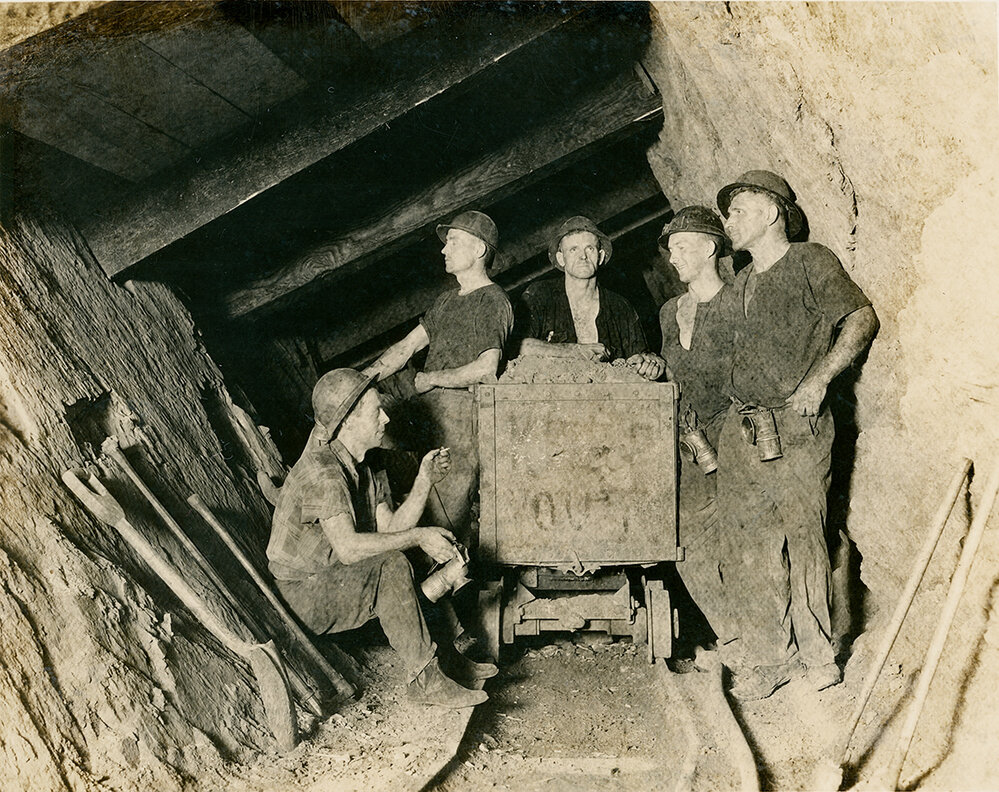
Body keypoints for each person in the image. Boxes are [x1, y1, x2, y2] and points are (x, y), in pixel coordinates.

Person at [715, 170, 879, 700]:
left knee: (805, 538)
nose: (730, 221)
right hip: (748, 428)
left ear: (770, 212)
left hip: (798, 423)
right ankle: (772, 658)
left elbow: (861, 318)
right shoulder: (739, 282)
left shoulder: (811, 261)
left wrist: (819, 382)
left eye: (738, 210)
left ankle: (817, 656)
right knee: (753, 546)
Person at [266, 368, 496, 709]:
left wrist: (424, 481)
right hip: (302, 595)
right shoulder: (324, 471)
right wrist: (419, 536)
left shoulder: (366, 467)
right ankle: (425, 682)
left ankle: (447, 661)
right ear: (347, 422)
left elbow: (389, 529)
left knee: (406, 554)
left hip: (333, 579)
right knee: (393, 564)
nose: (386, 418)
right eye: (376, 411)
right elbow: (348, 549)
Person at [363, 211, 514, 545]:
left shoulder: (493, 300)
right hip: (428, 417)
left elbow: (486, 367)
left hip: (463, 425)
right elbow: (406, 348)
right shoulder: (446, 301)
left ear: (478, 250)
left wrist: (432, 379)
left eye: (453, 241)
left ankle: (448, 587)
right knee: (370, 440)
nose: (444, 250)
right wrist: (362, 377)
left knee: (444, 519)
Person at [657, 206, 740, 649]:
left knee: (745, 535)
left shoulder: (736, 302)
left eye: (681, 248)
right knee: (687, 539)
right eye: (671, 250)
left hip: (735, 435)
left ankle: (765, 638)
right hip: (690, 443)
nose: (673, 258)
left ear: (709, 249)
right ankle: (732, 636)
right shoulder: (670, 311)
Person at [514, 216, 665, 380]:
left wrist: (651, 363)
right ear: (560, 258)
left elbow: (639, 355)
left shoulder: (620, 306)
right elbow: (519, 345)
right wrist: (573, 351)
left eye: (589, 249)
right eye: (573, 249)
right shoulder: (540, 294)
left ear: (600, 256)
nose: (583, 256)